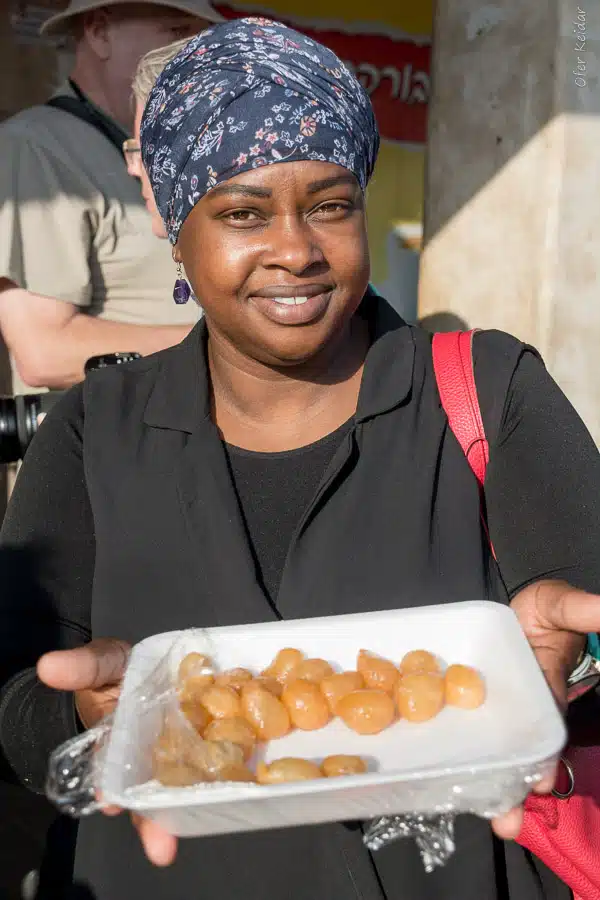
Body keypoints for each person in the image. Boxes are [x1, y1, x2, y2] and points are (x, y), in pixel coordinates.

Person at [0, 17, 599, 900]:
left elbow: (575, 609)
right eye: (243, 212)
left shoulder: (488, 389)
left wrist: (583, 655)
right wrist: (85, 720)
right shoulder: (93, 431)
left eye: (329, 205)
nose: (295, 250)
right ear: (175, 224)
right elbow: (17, 705)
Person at [0, 0, 223, 393]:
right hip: (104, 446)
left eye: (199, 35)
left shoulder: (171, 146)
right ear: (99, 32)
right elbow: (43, 352)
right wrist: (240, 341)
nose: (193, 50)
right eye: (175, 32)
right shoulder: (33, 145)